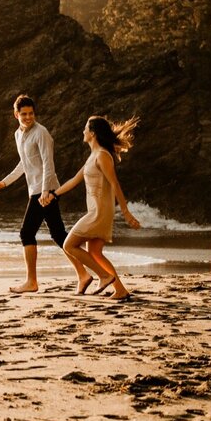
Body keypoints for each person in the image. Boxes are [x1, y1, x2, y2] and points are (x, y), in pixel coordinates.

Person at [47, 115, 141, 302]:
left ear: (93, 133)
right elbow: (75, 179)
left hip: (98, 213)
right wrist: (54, 195)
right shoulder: (93, 156)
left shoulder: (103, 156)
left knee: (69, 245)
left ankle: (103, 276)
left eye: (85, 128)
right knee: (95, 253)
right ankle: (120, 290)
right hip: (97, 211)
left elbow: (115, 184)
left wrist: (126, 212)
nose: (83, 131)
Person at [0, 94, 68, 293]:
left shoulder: (41, 133)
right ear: (16, 115)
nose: (28, 117)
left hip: (43, 190)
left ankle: (31, 282)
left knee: (26, 233)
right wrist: (5, 182)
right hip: (37, 190)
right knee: (59, 235)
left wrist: (44, 192)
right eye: (23, 114)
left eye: (31, 113)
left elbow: (48, 164)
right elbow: (24, 164)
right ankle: (87, 273)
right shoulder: (18, 135)